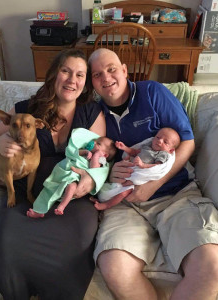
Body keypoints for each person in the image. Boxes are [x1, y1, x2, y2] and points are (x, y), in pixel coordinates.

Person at [87, 48, 218, 300]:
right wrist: (110, 171)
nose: (106, 77)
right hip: (125, 204)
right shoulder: (94, 113)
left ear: (124, 70)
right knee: (114, 266)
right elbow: (92, 160)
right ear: (92, 82)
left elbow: (187, 142)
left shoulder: (153, 92)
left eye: (112, 69)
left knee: (211, 268)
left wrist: (154, 183)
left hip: (176, 195)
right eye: (97, 74)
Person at [0, 49, 106, 300]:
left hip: (71, 195)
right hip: (29, 191)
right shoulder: (25, 109)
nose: (72, 80)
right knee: (9, 241)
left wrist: (90, 179)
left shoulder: (92, 112)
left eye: (80, 74)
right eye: (66, 71)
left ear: (86, 82)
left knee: (76, 243)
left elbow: (102, 158)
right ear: (53, 75)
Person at [27, 129, 116, 217]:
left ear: (105, 155)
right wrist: (84, 151)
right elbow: (74, 153)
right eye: (95, 141)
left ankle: (62, 206)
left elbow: (93, 171)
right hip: (65, 173)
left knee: (71, 187)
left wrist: (96, 156)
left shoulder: (100, 161)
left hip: (76, 178)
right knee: (47, 190)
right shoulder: (85, 150)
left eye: (98, 143)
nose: (94, 142)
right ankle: (39, 211)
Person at [91, 127, 180, 210]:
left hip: (138, 176)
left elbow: (156, 166)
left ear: (171, 150)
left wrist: (143, 165)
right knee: (111, 185)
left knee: (123, 192)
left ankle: (106, 205)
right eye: (157, 137)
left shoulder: (162, 154)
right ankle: (100, 197)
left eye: (165, 142)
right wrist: (124, 148)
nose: (160, 141)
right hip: (130, 168)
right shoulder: (147, 146)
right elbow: (134, 152)